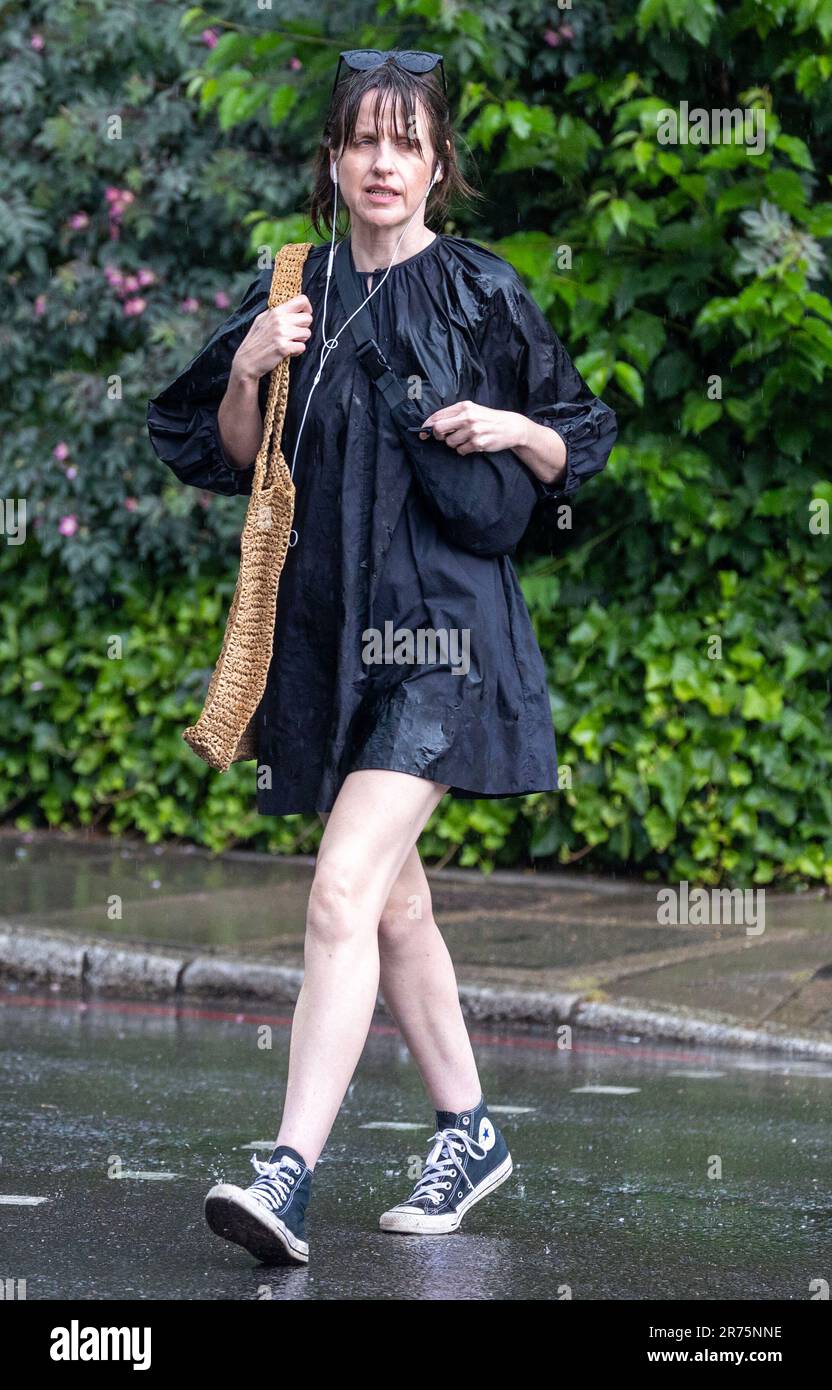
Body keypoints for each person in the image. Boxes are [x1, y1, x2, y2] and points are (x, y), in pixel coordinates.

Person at [146, 49, 617, 1266]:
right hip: (330, 640)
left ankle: (289, 1170)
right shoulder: (290, 291)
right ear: (335, 160)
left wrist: (512, 425)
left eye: (406, 141)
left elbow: (579, 442)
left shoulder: (481, 292)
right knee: (396, 901)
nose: (383, 162)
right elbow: (230, 452)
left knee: (343, 889)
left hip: (446, 639)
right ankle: (470, 1126)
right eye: (363, 139)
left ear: (437, 164)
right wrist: (251, 365)